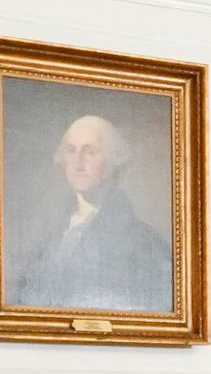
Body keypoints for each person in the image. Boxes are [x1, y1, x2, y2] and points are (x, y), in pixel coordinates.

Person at [10, 114, 172, 312]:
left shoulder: (146, 243)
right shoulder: (48, 232)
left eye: (90, 152)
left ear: (114, 161)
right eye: (71, 151)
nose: (78, 163)